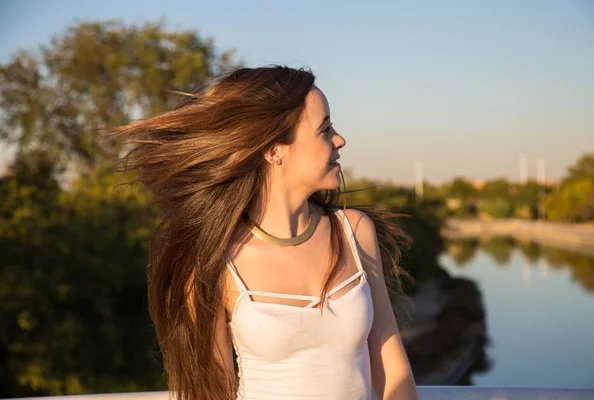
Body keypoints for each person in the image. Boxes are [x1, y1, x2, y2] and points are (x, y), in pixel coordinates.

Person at [109, 65, 418, 400]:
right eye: (325, 129)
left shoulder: (355, 231)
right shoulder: (215, 260)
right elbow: (212, 392)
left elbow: (393, 370)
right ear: (273, 151)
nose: (340, 139)